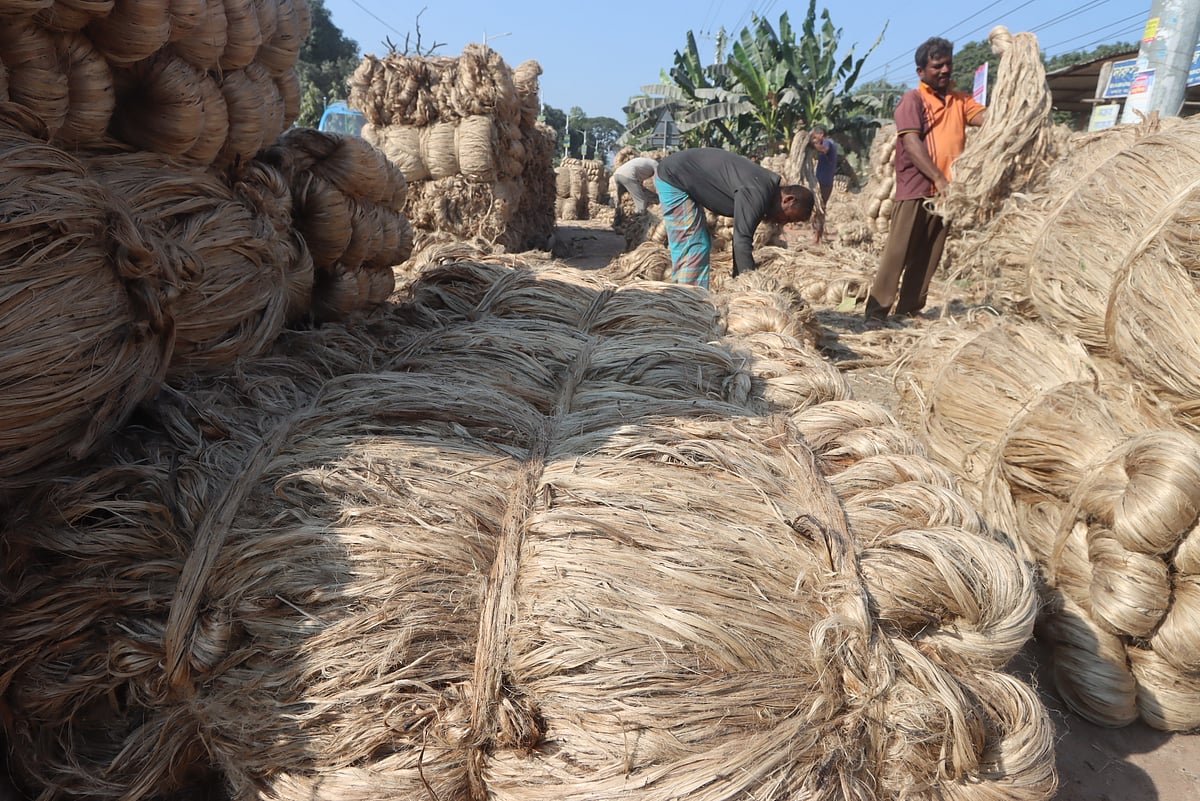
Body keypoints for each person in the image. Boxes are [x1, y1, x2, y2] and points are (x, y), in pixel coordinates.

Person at [865, 36, 987, 325]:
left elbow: (990, 120)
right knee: (899, 251)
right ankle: (876, 313)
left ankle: (908, 311)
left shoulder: (960, 101)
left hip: (946, 193)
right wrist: (938, 178)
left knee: (930, 254)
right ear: (921, 71)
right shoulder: (913, 100)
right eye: (937, 66)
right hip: (917, 187)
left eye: (948, 64)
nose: (944, 70)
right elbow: (911, 143)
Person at [653, 148, 814, 289]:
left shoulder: (763, 192)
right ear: (789, 200)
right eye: (788, 218)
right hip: (674, 176)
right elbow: (741, 242)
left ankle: (691, 300)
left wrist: (738, 280)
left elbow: (741, 245)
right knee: (693, 245)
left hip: (680, 173)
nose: (783, 223)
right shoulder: (757, 192)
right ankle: (688, 307)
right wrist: (752, 287)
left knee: (701, 243)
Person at [809, 126, 839, 245]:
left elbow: (824, 149)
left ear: (821, 134)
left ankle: (818, 237)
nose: (815, 140)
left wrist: (810, 144)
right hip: (823, 181)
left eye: (815, 137)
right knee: (819, 208)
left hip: (824, 182)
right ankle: (817, 236)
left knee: (819, 208)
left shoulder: (828, 143)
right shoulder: (830, 143)